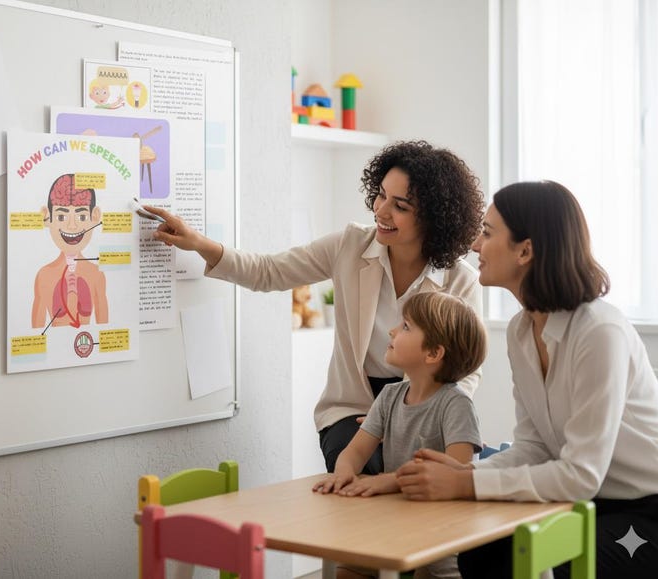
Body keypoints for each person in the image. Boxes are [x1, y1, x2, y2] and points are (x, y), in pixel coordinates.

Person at [144, 140, 485, 474]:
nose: (381, 211)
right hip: (352, 408)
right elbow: (269, 271)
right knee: (361, 479)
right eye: (381, 194)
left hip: (424, 406)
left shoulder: (459, 280)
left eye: (401, 206)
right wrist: (199, 243)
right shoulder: (350, 245)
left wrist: (419, 412)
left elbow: (464, 367)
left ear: (434, 219)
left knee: (415, 489)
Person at [394, 181, 658, 578]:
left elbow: (580, 476)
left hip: (650, 510)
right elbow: (534, 447)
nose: (475, 245)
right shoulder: (521, 331)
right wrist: (463, 474)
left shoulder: (599, 332)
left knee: (546, 561)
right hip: (592, 502)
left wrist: (463, 486)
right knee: (481, 553)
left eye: (487, 233)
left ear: (526, 250)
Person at [312, 291, 485, 579]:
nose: (392, 330)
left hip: (441, 536)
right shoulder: (390, 396)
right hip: (396, 522)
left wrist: (390, 481)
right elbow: (355, 452)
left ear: (433, 353)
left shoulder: (457, 405)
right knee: (348, 568)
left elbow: (458, 470)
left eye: (406, 326)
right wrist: (343, 472)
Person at [32, 173, 108, 329]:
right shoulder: (44, 276)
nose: (72, 226)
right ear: (47, 217)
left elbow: (104, 327)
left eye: (81, 217)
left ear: (95, 216)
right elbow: (36, 330)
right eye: (61, 217)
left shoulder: (96, 275)